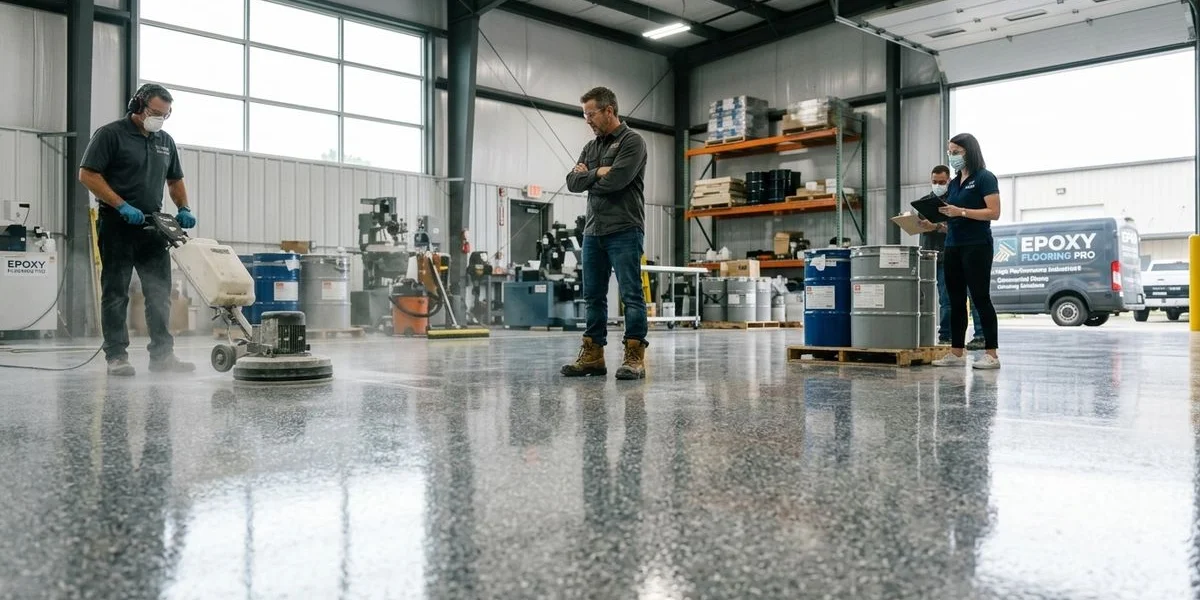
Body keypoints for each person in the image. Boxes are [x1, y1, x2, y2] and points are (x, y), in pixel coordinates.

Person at [79, 83, 197, 377]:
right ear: (138, 106)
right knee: (116, 292)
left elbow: (175, 180)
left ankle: (162, 356)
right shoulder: (110, 134)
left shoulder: (165, 141)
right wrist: (121, 206)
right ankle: (117, 356)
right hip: (117, 225)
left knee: (159, 294)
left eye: (165, 115)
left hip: (152, 227)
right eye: (155, 113)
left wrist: (183, 208)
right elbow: (88, 175)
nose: (159, 119)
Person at [560, 87, 649, 381]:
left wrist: (592, 176)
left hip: (624, 229)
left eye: (591, 113)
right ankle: (593, 355)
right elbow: (572, 181)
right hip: (593, 232)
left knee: (631, 295)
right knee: (593, 296)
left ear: (608, 110)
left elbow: (617, 181)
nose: (587, 120)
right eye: (584, 114)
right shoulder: (591, 147)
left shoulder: (632, 142)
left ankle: (634, 356)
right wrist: (597, 173)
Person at [932, 133, 1001, 370]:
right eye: (949, 152)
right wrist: (934, 225)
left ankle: (991, 354)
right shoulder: (953, 183)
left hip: (977, 245)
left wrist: (960, 211)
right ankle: (956, 352)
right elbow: (952, 217)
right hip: (953, 245)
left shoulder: (985, 178)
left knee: (980, 297)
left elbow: (993, 212)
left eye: (956, 152)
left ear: (969, 152)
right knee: (955, 300)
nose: (952, 156)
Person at [918, 165, 985, 348]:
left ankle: (981, 336)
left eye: (942, 182)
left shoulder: (958, 201)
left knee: (974, 296)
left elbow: (963, 228)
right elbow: (921, 230)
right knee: (946, 300)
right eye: (934, 182)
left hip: (963, 254)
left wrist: (938, 227)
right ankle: (946, 336)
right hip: (940, 258)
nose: (938, 185)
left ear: (949, 180)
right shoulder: (925, 202)